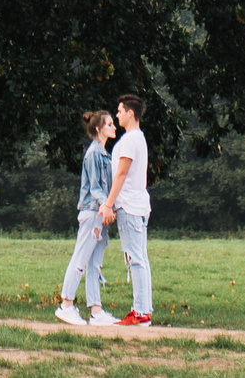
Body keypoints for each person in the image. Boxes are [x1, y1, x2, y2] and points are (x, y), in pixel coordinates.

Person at [54, 111, 118, 326]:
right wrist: (107, 206)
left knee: (94, 264)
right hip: (92, 213)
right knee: (80, 259)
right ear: (98, 128)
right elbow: (95, 188)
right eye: (110, 124)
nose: (114, 127)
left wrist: (108, 208)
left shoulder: (104, 154)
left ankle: (96, 311)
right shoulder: (93, 154)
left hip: (100, 214)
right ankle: (66, 304)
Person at [98, 93, 151, 325]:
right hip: (137, 205)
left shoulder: (130, 140)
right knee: (140, 258)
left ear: (131, 113)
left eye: (120, 111)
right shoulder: (138, 138)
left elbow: (121, 173)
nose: (117, 114)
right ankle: (143, 310)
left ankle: (140, 312)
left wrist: (109, 203)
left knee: (136, 259)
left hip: (129, 205)